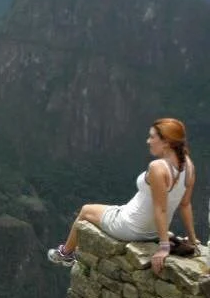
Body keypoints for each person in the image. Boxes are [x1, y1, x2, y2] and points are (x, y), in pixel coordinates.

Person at [48, 118, 198, 276]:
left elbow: (160, 209)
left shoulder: (157, 168)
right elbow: (185, 205)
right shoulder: (188, 166)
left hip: (130, 226)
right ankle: (66, 253)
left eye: (152, 137)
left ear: (166, 142)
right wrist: (193, 240)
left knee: (86, 211)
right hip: (155, 231)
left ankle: (65, 254)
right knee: (113, 209)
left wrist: (164, 247)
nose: (148, 141)